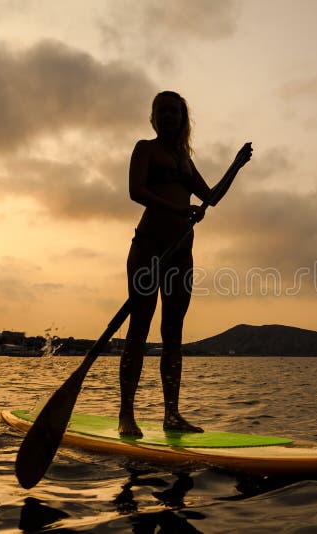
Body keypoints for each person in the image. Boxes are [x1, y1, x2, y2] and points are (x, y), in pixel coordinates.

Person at [119, 91, 252, 436]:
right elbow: (136, 191)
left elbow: (212, 198)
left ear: (182, 118)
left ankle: (171, 415)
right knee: (138, 330)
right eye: (161, 112)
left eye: (173, 112)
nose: (167, 117)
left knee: (173, 334)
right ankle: (126, 416)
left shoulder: (185, 162)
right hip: (148, 251)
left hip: (181, 254)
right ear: (153, 117)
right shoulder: (145, 149)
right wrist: (178, 209)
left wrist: (235, 166)